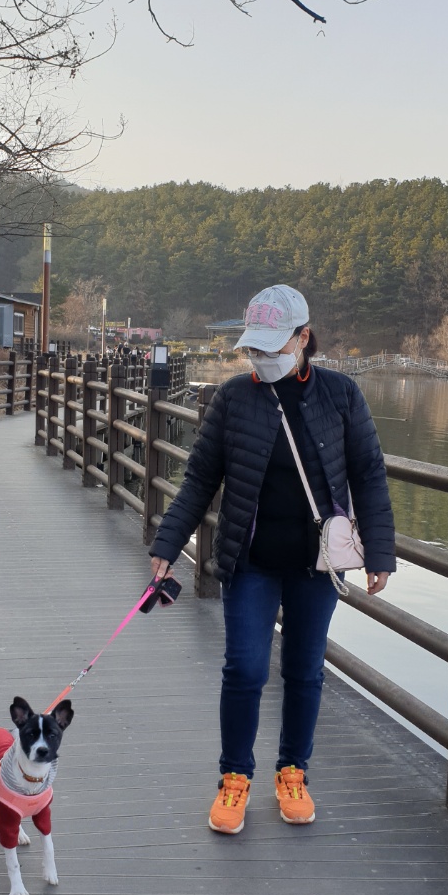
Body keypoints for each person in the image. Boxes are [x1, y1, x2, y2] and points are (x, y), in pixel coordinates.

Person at [149, 284, 395, 834]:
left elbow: (369, 475)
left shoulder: (342, 395)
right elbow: (198, 480)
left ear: (303, 338)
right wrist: (168, 546)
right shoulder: (235, 398)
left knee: (305, 670)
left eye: (272, 347)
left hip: (317, 566)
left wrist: (380, 550)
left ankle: (293, 771)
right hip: (250, 559)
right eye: (254, 349)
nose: (260, 359)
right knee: (246, 668)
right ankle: (234, 778)